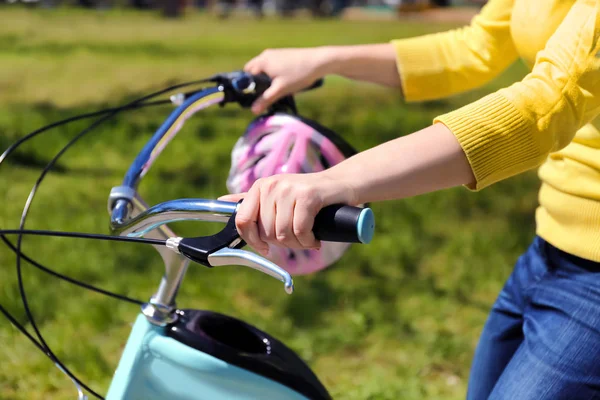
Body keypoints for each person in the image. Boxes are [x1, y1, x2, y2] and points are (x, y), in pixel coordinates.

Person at [219, 0, 600, 398]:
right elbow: (474, 48)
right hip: (549, 246)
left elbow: (544, 107)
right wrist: (322, 60)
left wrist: (340, 181)